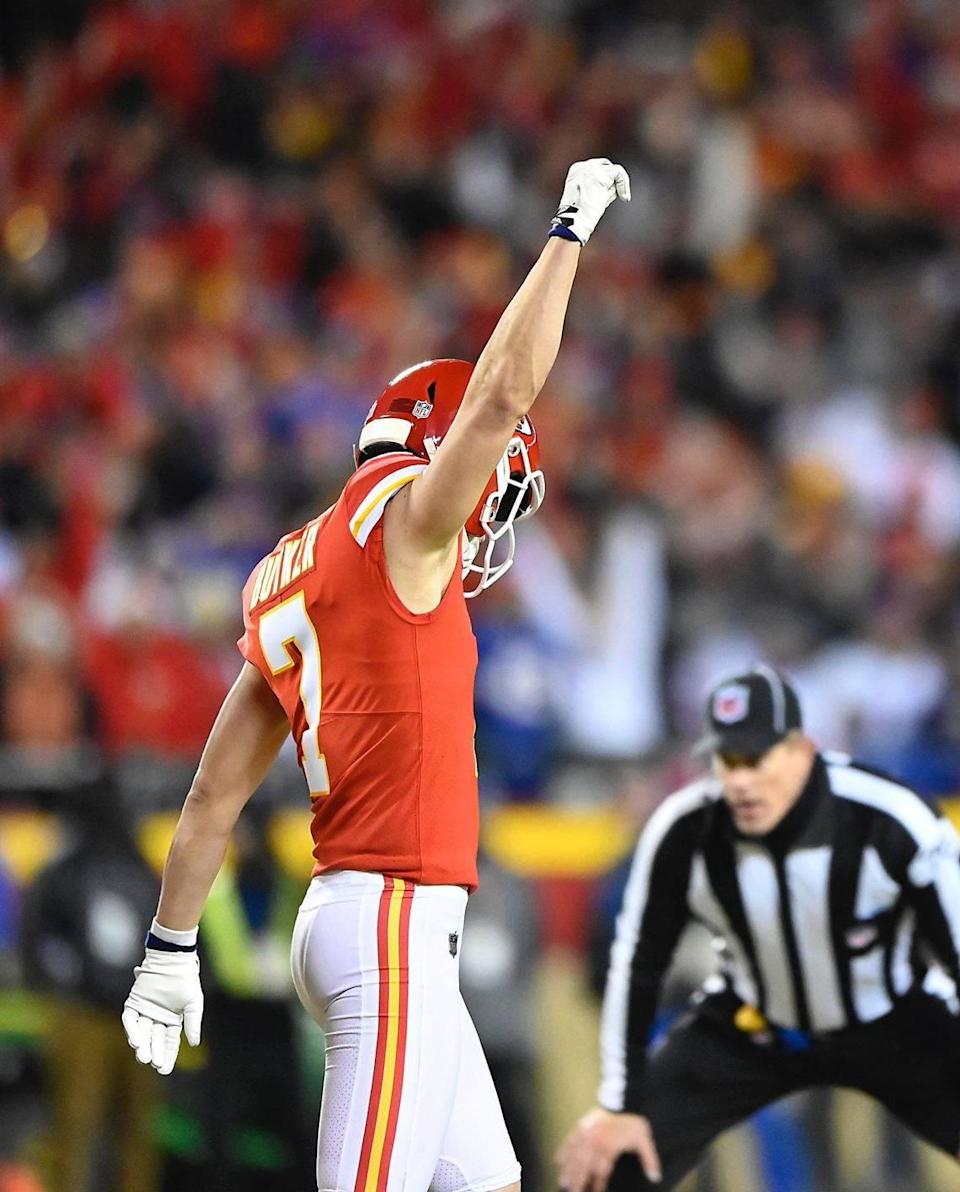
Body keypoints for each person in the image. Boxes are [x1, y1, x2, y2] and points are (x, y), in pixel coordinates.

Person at [122, 157, 630, 1192]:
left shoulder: (296, 565)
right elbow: (499, 398)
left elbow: (215, 790)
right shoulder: (404, 525)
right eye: (491, 480)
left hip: (360, 924)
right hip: (392, 925)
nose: (495, 508)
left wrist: (170, 945)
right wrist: (568, 231)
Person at [558, 665, 960, 1192]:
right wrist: (620, 1104)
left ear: (801, 751)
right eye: (727, 760)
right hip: (754, 1023)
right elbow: (638, 962)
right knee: (607, 1162)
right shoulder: (685, 828)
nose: (740, 780)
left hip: (893, 1018)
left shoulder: (887, 817)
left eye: (755, 758)